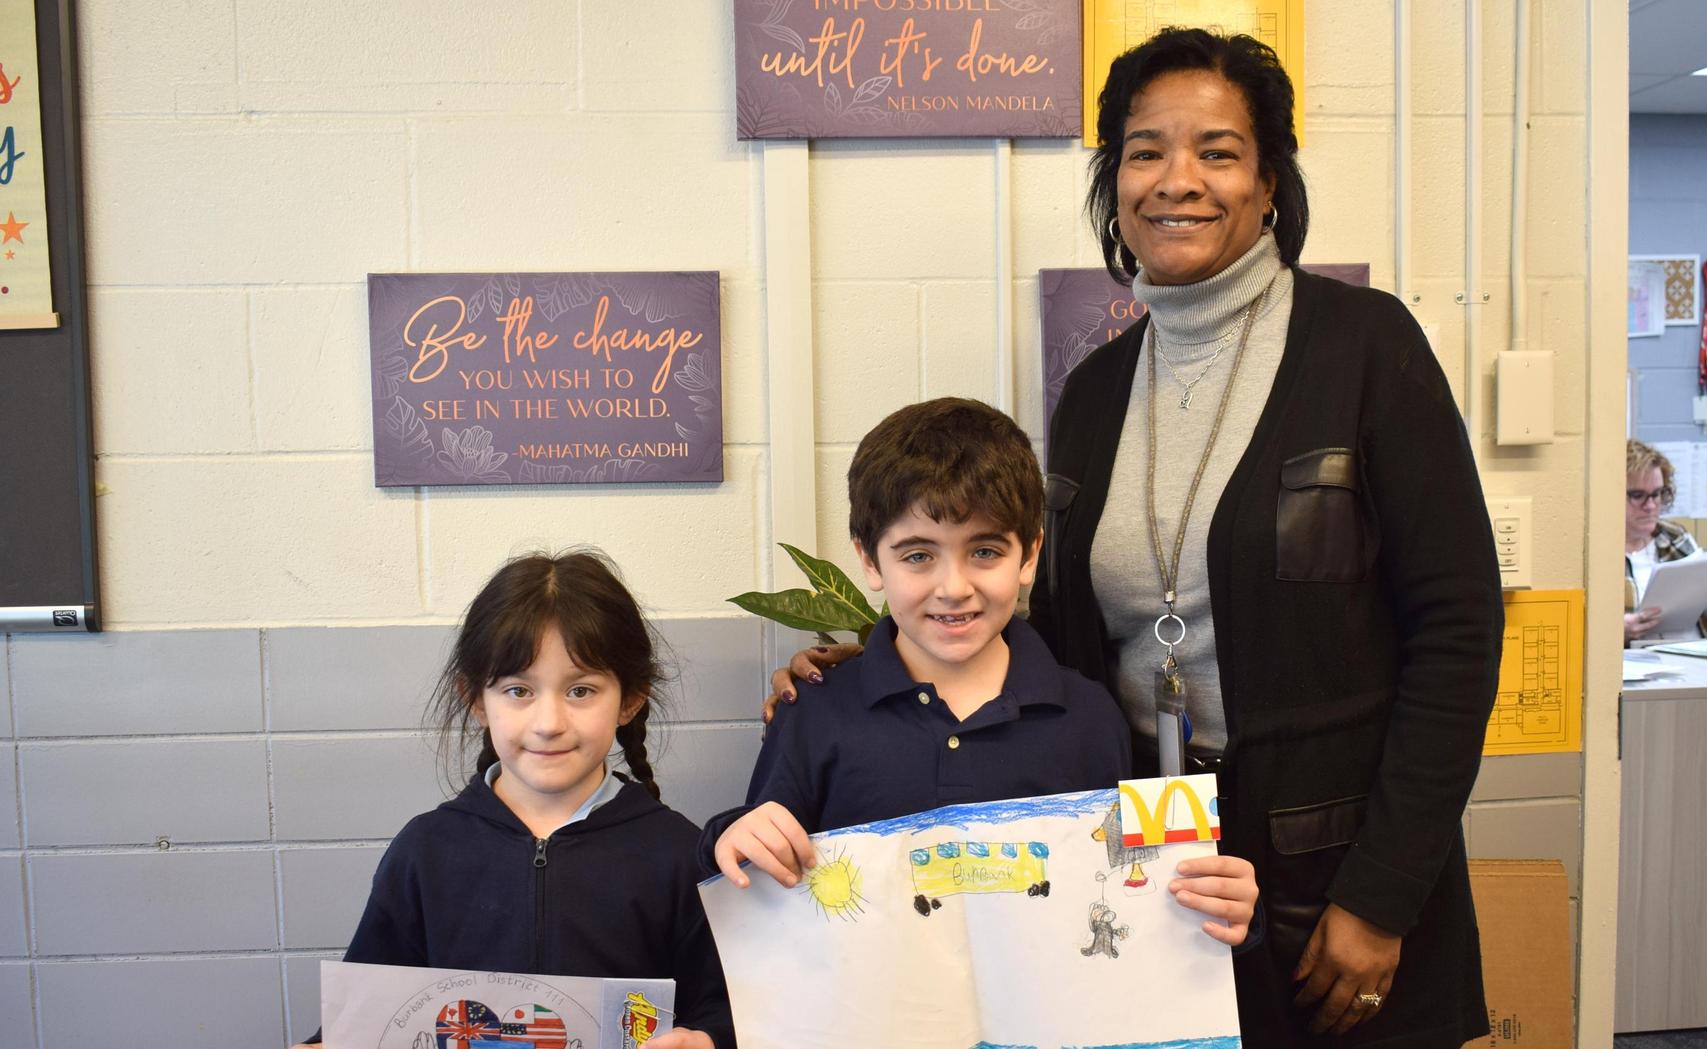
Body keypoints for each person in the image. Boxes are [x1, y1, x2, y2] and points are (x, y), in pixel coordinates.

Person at [773, 30, 1503, 1047]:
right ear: (1114, 180)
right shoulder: (1097, 389)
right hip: (1141, 852)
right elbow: (1041, 622)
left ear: (1265, 182)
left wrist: (1380, 895)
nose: (1178, 180)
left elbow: (1457, 634)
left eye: (1217, 149)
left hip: (1329, 860)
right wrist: (872, 662)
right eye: (1144, 150)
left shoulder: (1365, 348)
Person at [706, 397, 1261, 954]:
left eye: (986, 551)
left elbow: (1137, 890)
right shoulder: (816, 712)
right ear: (870, 562)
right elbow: (758, 868)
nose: (953, 586)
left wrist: (1215, 909)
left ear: (1029, 556)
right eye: (918, 556)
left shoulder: (1089, 716)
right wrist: (729, 838)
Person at [294, 551, 732, 1049]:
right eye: (519, 690)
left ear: (630, 699)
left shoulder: (678, 853)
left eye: (582, 690)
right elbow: (368, 1011)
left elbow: (726, 1008)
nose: (548, 722)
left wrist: (708, 1039)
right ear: (476, 699)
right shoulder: (427, 850)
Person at [1624, 438, 1707, 644]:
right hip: (1633, 661)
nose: (1650, 505)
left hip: (1690, 655)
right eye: (1638, 495)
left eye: (1657, 494)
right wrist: (1618, 630)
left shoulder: (1674, 537)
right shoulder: (1595, 550)